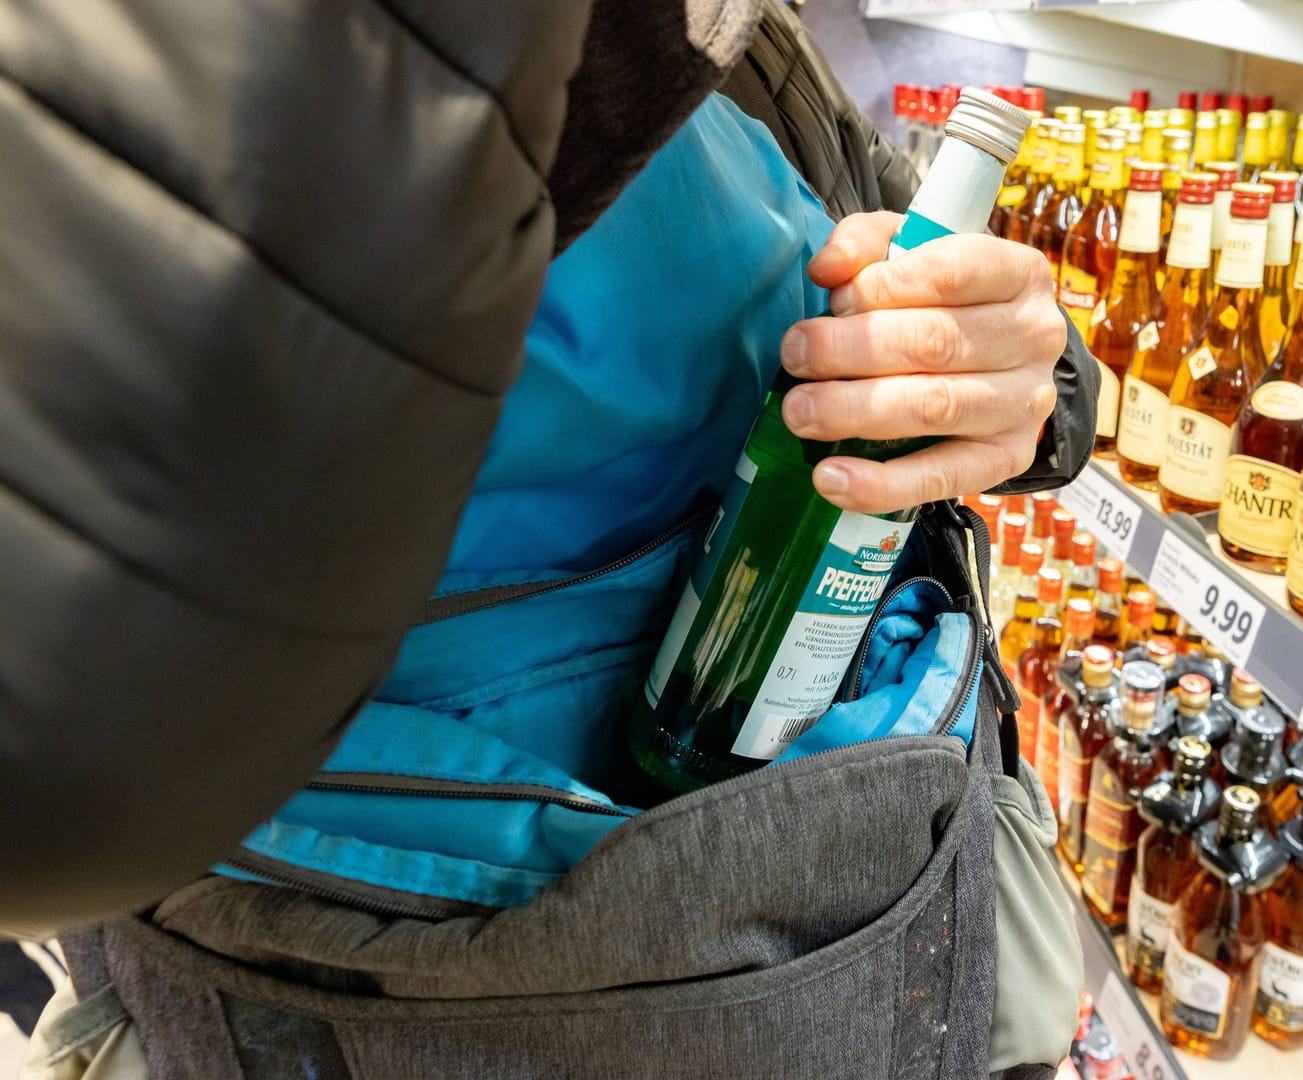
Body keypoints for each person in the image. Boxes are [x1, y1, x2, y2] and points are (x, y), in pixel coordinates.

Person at [3, 0, 1091, 1076]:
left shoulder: (729, 30)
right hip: (379, 970)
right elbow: (58, 760)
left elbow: (913, 249)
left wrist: (1022, 378)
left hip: (847, 904)